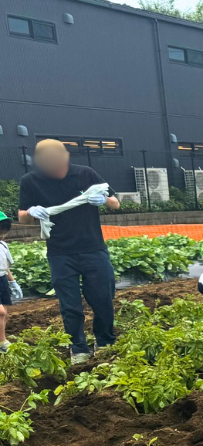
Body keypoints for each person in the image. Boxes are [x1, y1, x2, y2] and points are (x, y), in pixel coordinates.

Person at [17, 138, 119, 365]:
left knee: (103, 299)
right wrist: (32, 212)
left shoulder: (85, 174)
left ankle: (105, 342)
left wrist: (103, 199)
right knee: (70, 305)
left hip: (93, 248)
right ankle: (78, 348)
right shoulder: (31, 181)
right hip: (60, 252)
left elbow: (115, 203)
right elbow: (22, 216)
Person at [0, 212, 15, 352]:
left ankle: (1, 338)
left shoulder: (3, 245)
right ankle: (2, 342)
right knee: (1, 312)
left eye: (4, 232)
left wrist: (13, 282)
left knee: (5, 313)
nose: (2, 235)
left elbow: (6, 267)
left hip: (2, 280)